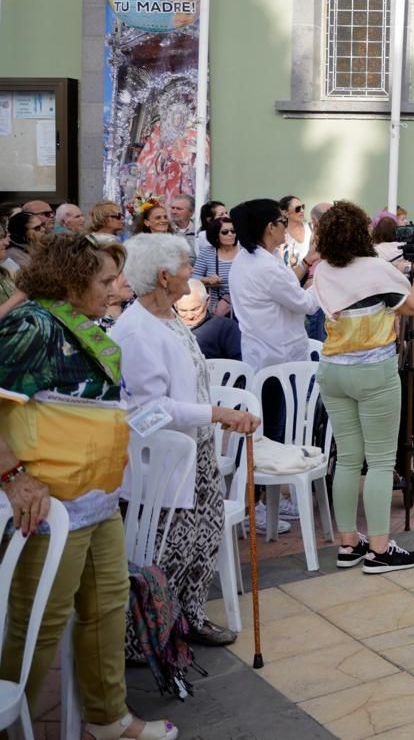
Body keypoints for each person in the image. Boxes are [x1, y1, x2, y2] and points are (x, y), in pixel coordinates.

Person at [0, 233, 180, 740]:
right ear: (71, 282)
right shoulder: (32, 325)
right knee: (39, 622)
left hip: (97, 499)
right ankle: (10, 723)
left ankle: (107, 718)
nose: (118, 288)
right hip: (51, 505)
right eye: (105, 280)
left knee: (106, 607)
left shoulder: (76, 320)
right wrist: (14, 477)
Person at [113, 235, 260, 646]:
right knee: (167, 551)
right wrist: (217, 413)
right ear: (163, 277)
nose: (189, 275)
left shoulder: (170, 315)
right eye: (183, 268)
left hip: (195, 447)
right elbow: (148, 411)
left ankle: (189, 617)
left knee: (202, 539)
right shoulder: (137, 331)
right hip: (164, 459)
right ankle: (146, 636)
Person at [311, 201, 414, 573]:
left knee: (348, 458)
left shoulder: (322, 270)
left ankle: (348, 545)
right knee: (380, 461)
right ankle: (380, 550)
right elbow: (411, 306)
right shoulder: (376, 269)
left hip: (332, 370)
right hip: (373, 371)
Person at [228, 198, 318, 370]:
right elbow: (307, 304)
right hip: (279, 359)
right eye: (283, 221)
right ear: (270, 227)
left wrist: (307, 260)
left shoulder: (249, 256)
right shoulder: (265, 267)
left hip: (263, 352)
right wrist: (326, 276)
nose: (287, 226)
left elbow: (283, 285)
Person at [176, 279, 241, 360]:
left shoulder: (226, 328)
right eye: (183, 310)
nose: (189, 316)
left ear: (207, 301)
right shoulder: (168, 329)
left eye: (195, 309)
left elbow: (239, 365)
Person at [194, 213, 239, 316]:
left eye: (233, 231)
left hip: (243, 308)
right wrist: (207, 280)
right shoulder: (207, 253)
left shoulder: (244, 252)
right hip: (218, 310)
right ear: (215, 235)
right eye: (225, 232)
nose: (230, 234)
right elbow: (194, 277)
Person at [4, 207, 48, 275]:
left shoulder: (40, 245)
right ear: (22, 232)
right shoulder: (12, 254)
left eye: (42, 225)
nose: (43, 229)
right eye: (37, 228)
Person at [277, 195, 313, 268]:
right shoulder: (280, 234)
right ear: (285, 213)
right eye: (298, 208)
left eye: (303, 207)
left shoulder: (311, 228)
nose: (302, 211)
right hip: (293, 276)